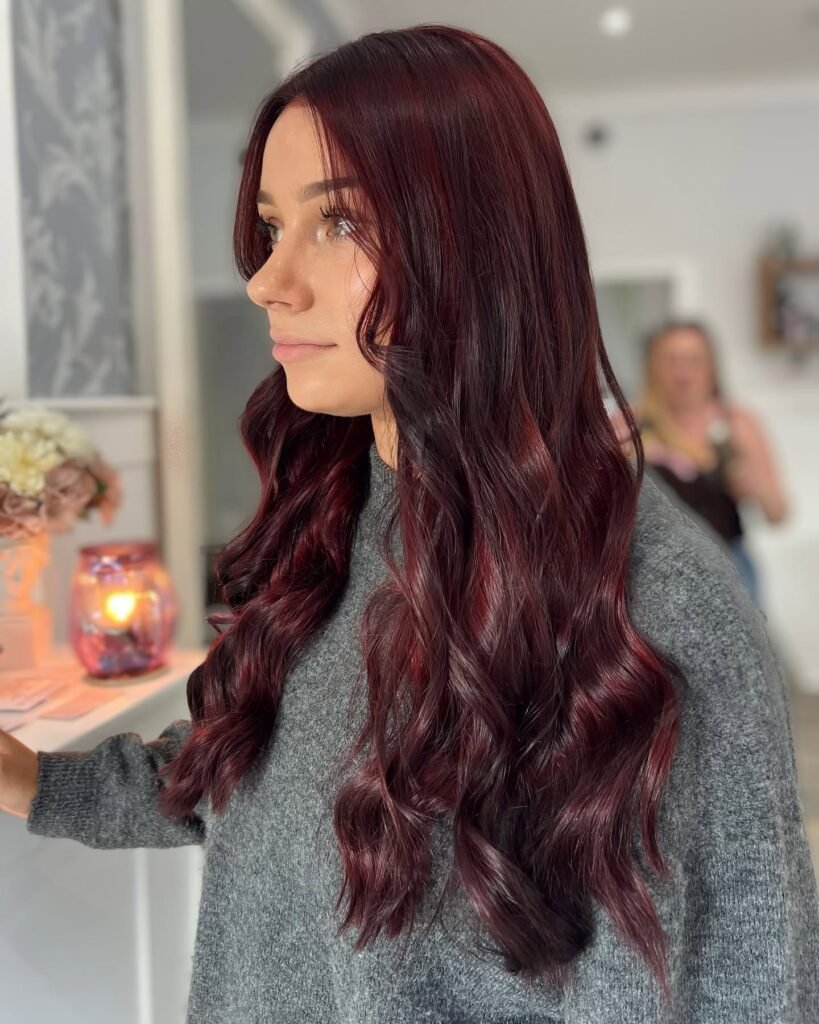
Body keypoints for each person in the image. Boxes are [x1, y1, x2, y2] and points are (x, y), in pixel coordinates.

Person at [2, 24, 818, 1024]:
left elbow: (756, 976)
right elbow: (257, 777)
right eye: (272, 226)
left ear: (474, 243)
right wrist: (36, 780)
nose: (266, 280)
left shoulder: (654, 598)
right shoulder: (330, 525)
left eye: (338, 223)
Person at [610, 319, 789, 605]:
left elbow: (778, 514)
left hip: (727, 572)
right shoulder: (630, 423)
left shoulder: (737, 424)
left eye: (694, 360)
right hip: (654, 577)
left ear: (711, 367)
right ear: (653, 366)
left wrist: (752, 485)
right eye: (671, 360)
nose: (683, 373)